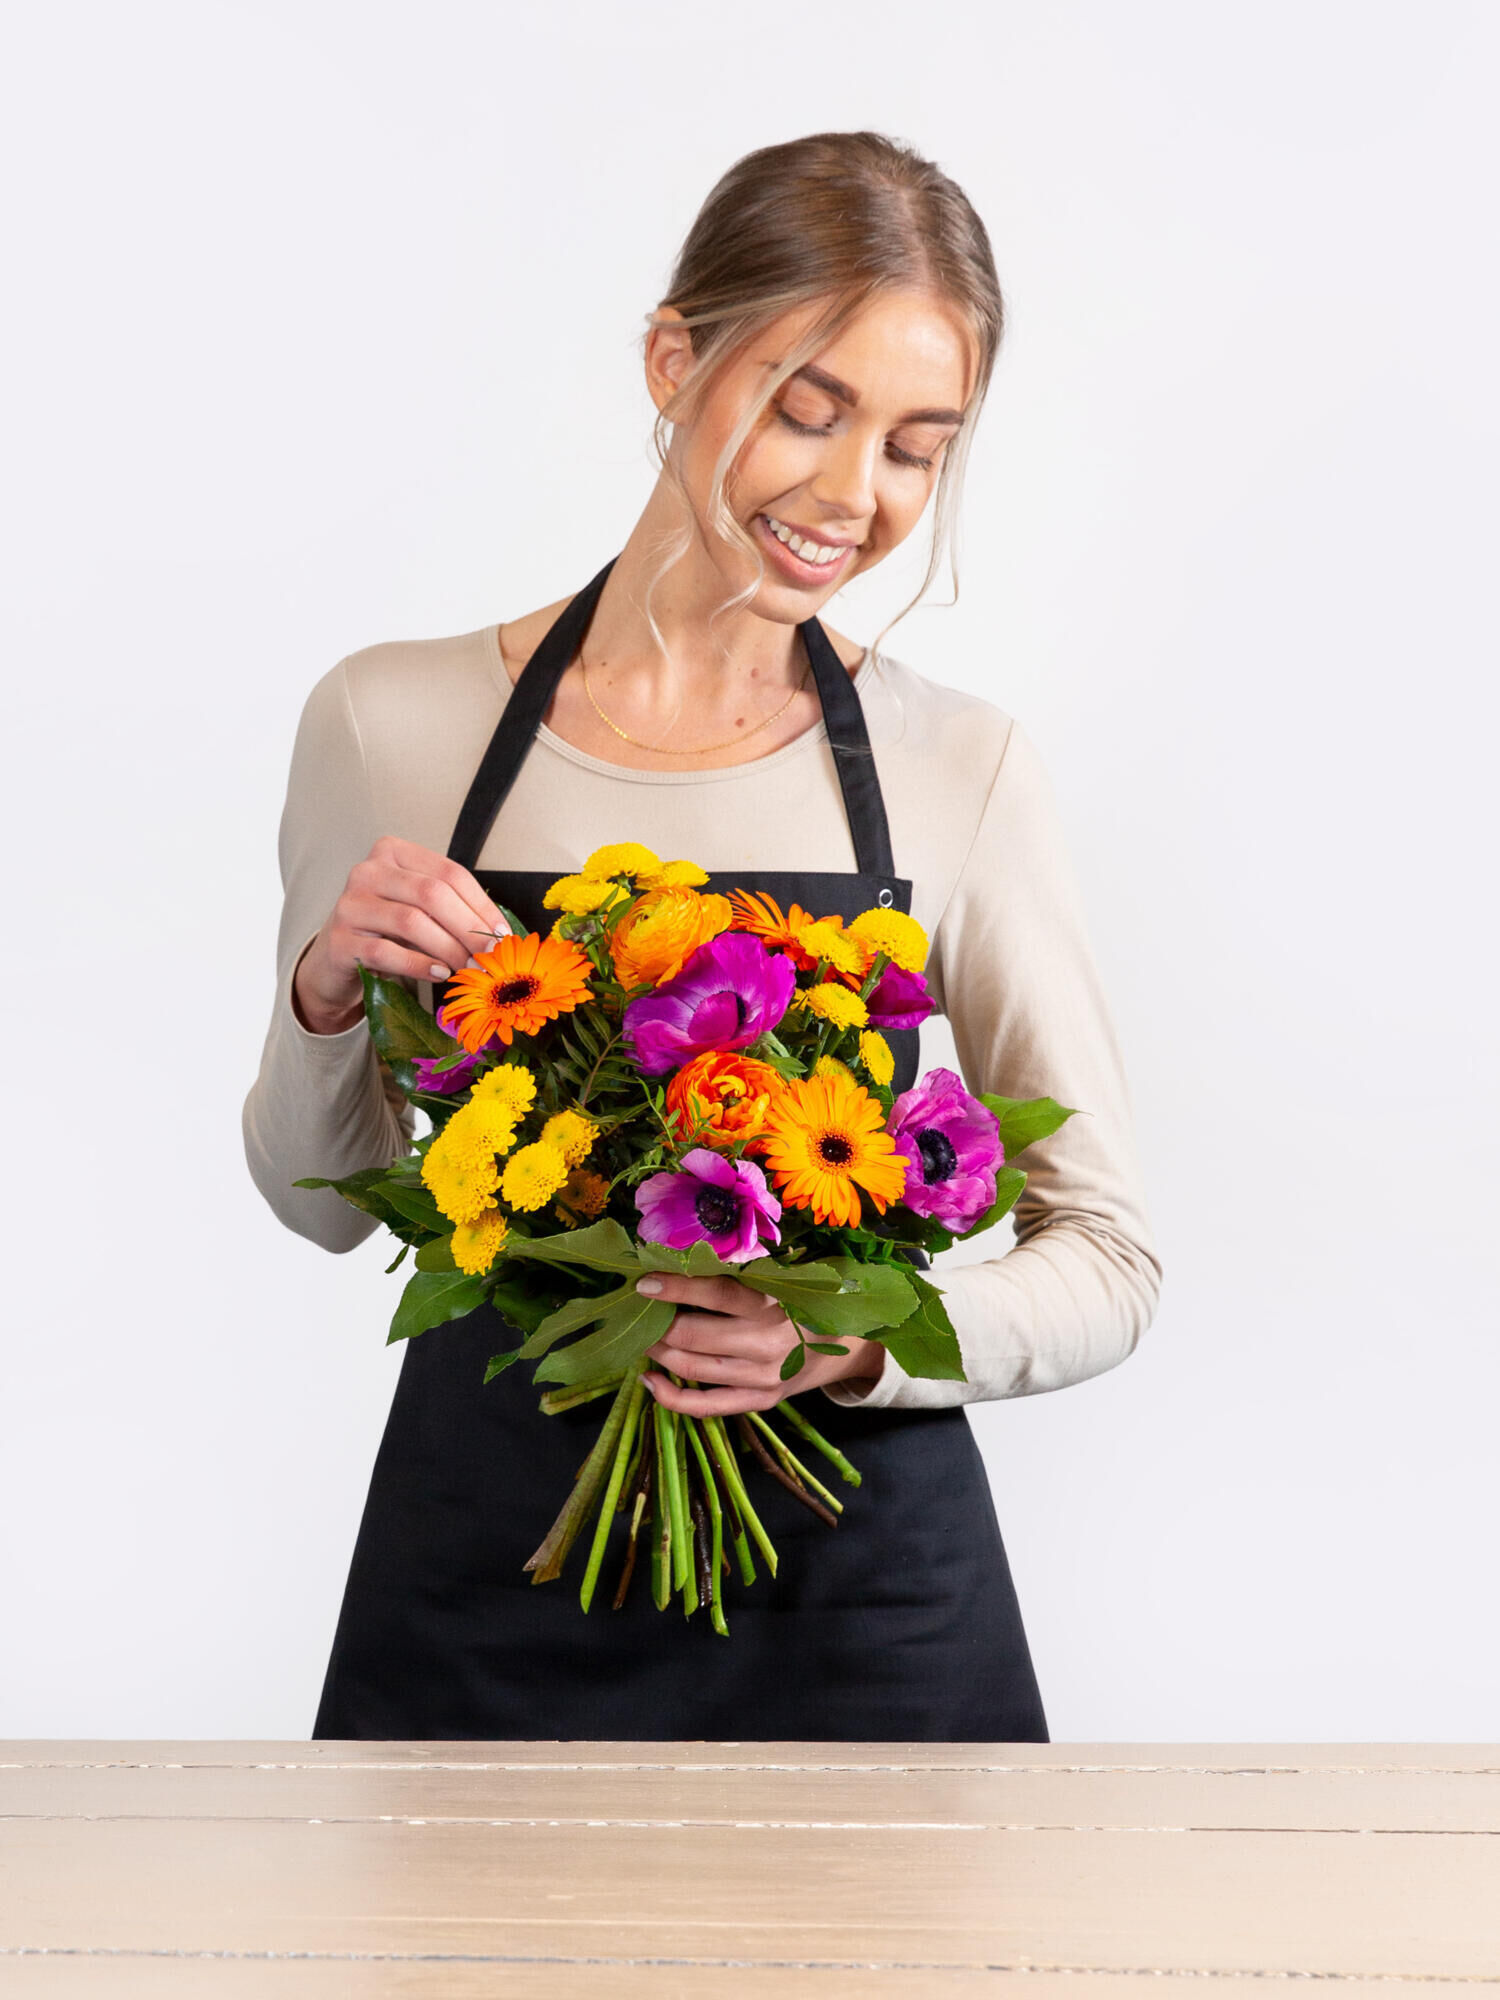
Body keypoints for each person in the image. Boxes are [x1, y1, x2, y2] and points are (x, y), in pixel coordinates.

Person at [243, 130, 1162, 1743]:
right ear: (675, 358)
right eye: (809, 410)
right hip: (486, 1589)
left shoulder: (963, 766)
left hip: (870, 1609)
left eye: (915, 448)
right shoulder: (396, 724)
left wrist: (852, 1346)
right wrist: (329, 996)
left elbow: (1109, 1257)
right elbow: (326, 1212)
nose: (850, 494)